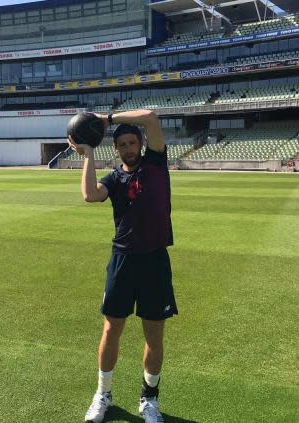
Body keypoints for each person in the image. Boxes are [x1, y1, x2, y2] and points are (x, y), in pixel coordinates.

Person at [68, 109, 178, 423]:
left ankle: (149, 399)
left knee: (154, 335)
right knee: (111, 329)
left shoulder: (157, 162)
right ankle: (103, 395)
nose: (129, 148)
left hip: (155, 260)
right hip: (122, 260)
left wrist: (107, 119)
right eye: (123, 145)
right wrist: (88, 152)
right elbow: (90, 195)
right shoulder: (115, 178)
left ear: (141, 144)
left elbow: (152, 118)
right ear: (115, 149)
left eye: (133, 142)